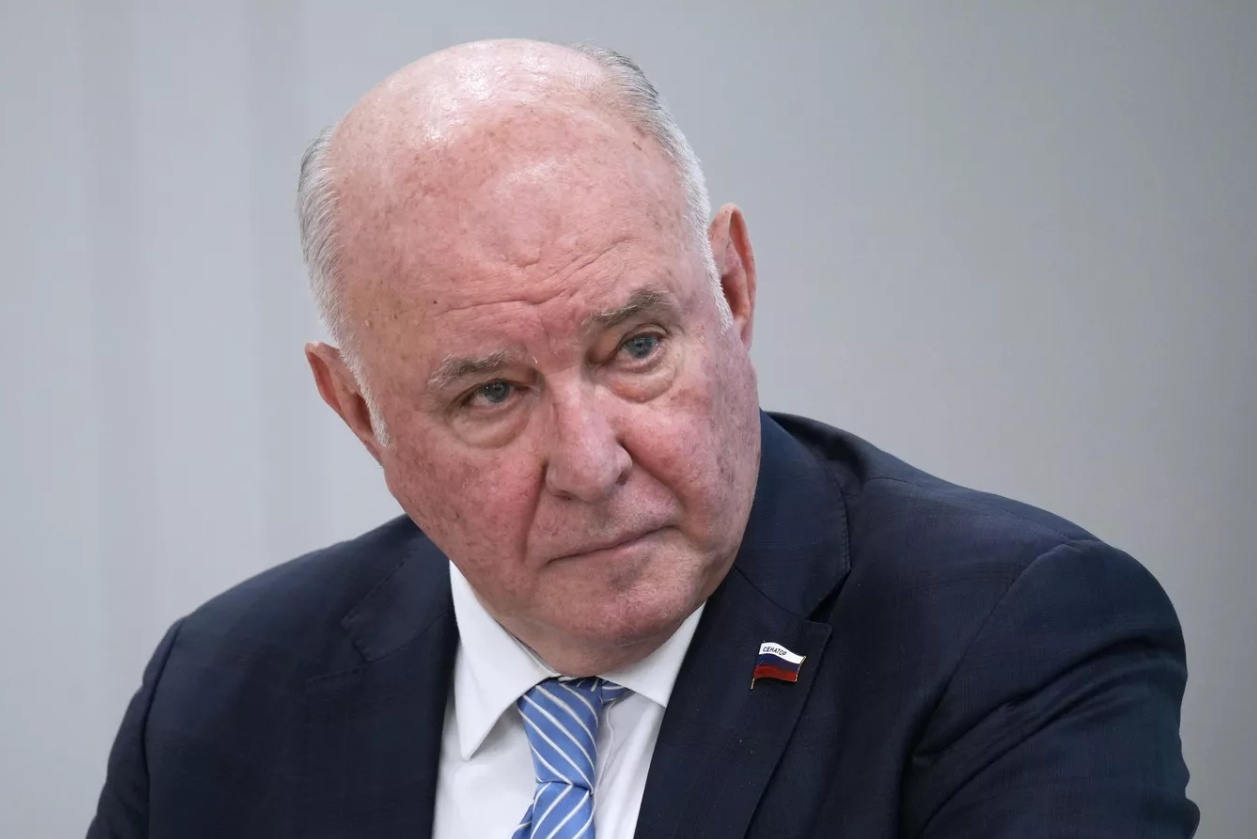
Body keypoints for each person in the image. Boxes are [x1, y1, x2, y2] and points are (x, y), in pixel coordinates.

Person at [87, 39, 1198, 839]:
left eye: (635, 346)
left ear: (733, 289)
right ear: (360, 414)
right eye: (491, 393)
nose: (592, 463)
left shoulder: (1012, 643)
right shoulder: (220, 694)